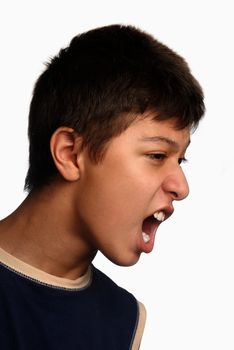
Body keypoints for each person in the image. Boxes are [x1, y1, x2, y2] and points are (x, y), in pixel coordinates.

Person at [0, 24, 205, 349]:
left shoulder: (125, 319)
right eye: (156, 155)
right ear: (70, 154)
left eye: (180, 160)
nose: (181, 186)